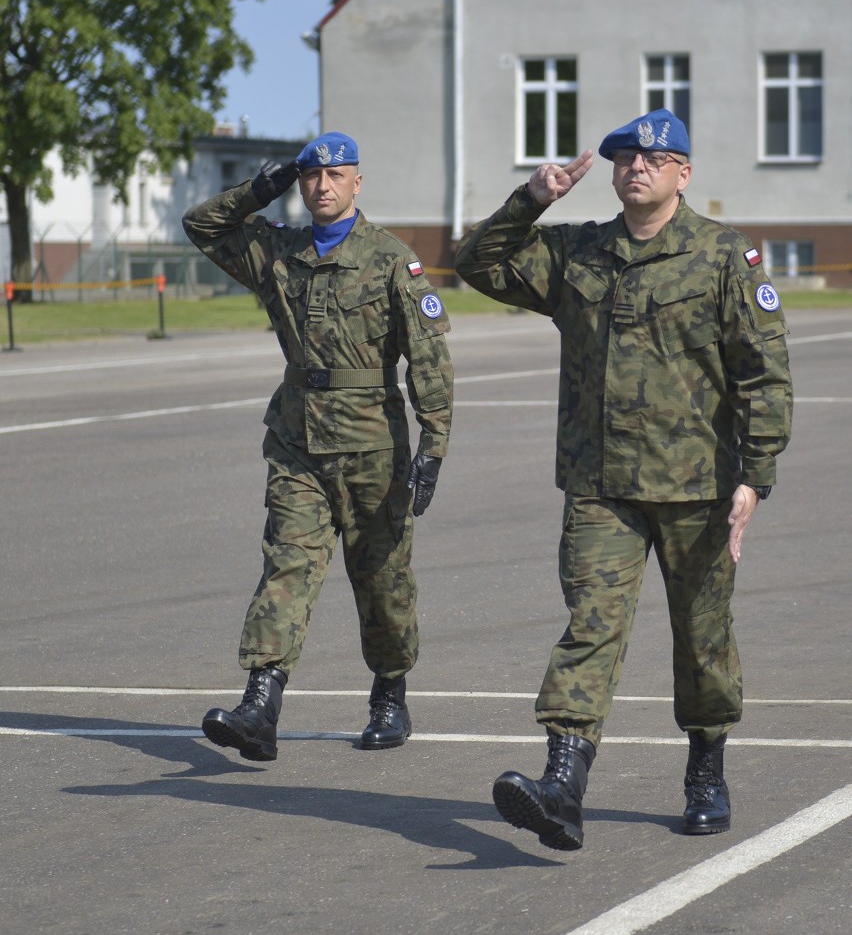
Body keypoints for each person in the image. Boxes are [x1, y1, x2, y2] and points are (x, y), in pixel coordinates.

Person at [454, 108, 792, 850]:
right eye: (624, 157)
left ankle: (706, 770)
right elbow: (475, 265)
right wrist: (531, 199)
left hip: (698, 489)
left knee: (702, 640)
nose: (636, 166)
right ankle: (563, 785)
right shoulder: (578, 252)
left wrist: (754, 478)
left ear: (682, 172)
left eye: (653, 157)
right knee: (590, 630)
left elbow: (763, 375)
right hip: (601, 486)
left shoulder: (721, 258)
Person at [183, 131, 453, 760]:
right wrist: (257, 189)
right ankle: (261, 704)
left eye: (335, 176)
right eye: (310, 177)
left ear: (358, 181)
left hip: (372, 448)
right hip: (299, 441)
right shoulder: (278, 250)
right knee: (287, 567)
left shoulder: (392, 259)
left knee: (382, 579)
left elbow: (430, 358)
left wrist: (434, 444)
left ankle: (390, 695)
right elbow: (202, 227)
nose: (322, 186)